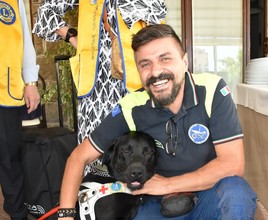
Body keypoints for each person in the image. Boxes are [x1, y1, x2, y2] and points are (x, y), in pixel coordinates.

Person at [51, 24, 257, 220]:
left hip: (208, 201)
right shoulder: (133, 106)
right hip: (161, 207)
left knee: (237, 193)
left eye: (165, 58)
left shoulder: (212, 91)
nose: (156, 71)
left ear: (184, 61)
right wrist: (65, 219)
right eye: (145, 64)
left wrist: (168, 183)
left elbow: (233, 164)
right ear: (138, 71)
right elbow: (77, 157)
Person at [33, 0, 167, 172]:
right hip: (96, 88)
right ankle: (93, 197)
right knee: (92, 161)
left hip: (135, 84)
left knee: (140, 152)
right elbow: (45, 12)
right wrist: (73, 37)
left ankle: (141, 197)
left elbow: (157, 14)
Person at [0, 0, 40, 220]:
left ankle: (17, 213)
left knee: (9, 155)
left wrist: (31, 81)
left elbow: (25, 40)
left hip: (5, 88)